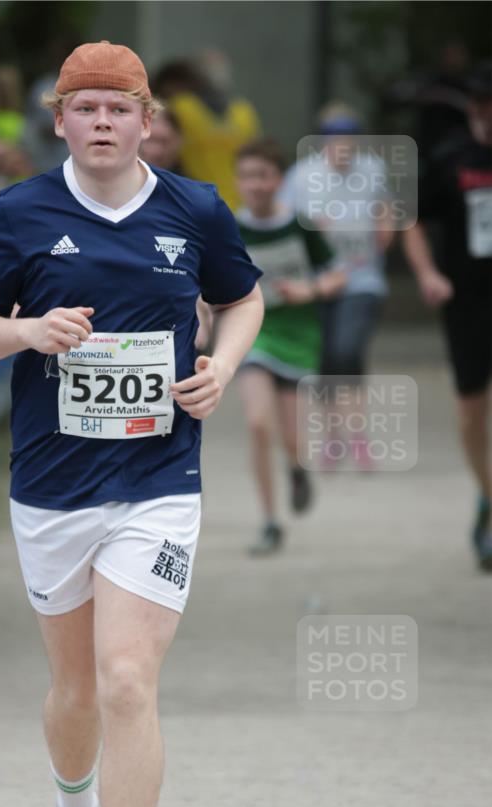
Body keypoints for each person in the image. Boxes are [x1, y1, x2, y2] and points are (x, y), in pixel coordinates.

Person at [0, 40, 263, 807]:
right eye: (84, 108)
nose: (101, 123)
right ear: (58, 121)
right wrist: (26, 331)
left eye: (119, 109)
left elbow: (242, 300)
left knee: (127, 680)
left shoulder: (194, 208)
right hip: (52, 487)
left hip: (157, 482)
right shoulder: (20, 212)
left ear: (147, 121)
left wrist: (222, 369)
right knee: (75, 691)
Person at [233, 138, 346, 554]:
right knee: (258, 424)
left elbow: (338, 275)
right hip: (254, 333)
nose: (255, 184)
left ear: (279, 180)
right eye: (247, 176)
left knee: (293, 439)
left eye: (263, 175)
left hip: (299, 337)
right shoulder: (229, 228)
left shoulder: (300, 225)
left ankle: (297, 469)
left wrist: (307, 290)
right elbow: (210, 281)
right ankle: (270, 521)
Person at [403, 63, 492, 571]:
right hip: (468, 301)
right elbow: (411, 219)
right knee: (471, 409)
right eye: (477, 104)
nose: (483, 112)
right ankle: (487, 495)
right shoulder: (451, 158)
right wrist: (427, 274)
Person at [280, 103, 393, 469]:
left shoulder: (373, 169)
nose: (342, 144)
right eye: (334, 137)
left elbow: (386, 211)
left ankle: (358, 433)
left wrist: (381, 234)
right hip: (318, 282)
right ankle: (334, 436)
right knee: (325, 359)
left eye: (349, 136)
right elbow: (285, 221)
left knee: (348, 350)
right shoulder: (301, 176)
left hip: (362, 279)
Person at [152, 54, 261, 210]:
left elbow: (256, 159)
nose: (216, 77)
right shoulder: (182, 108)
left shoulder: (244, 112)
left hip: (241, 205)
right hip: (197, 202)